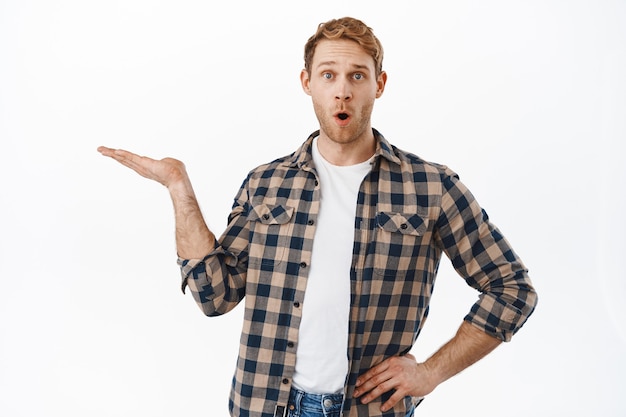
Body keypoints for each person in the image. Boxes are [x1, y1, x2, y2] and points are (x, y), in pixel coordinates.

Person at [98, 16, 537, 417]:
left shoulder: (431, 188)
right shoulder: (265, 183)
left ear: (379, 85)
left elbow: (512, 290)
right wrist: (179, 189)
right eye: (328, 75)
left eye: (356, 76)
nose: (342, 90)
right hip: (262, 405)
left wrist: (430, 373)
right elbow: (215, 295)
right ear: (307, 82)